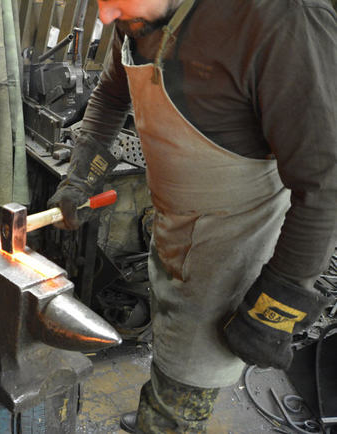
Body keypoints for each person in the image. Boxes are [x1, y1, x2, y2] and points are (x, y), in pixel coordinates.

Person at [48, 0, 337, 432]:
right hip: (175, 223)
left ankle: (164, 421)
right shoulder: (134, 16)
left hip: (232, 247)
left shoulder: (283, 21)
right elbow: (110, 96)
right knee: (171, 347)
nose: (105, 17)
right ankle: (160, 404)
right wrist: (80, 178)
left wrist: (278, 304)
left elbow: (325, 187)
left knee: (186, 386)